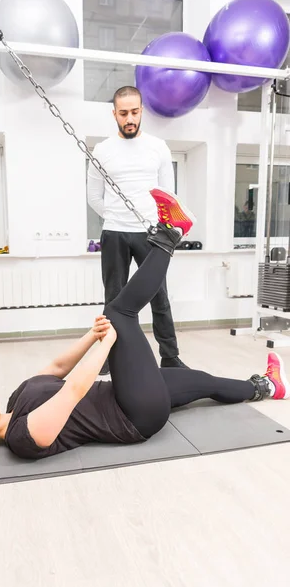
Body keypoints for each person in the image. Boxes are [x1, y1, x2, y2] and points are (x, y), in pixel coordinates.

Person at [0, 191, 289, 477]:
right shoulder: (23, 438)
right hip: (134, 415)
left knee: (201, 381)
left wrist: (89, 335)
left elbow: (57, 369)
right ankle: (171, 235)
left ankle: (265, 388)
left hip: (125, 393)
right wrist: (108, 340)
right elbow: (73, 391)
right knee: (120, 311)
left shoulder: (16, 401)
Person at [87, 85, 187, 373]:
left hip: (151, 234)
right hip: (115, 233)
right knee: (114, 300)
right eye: (123, 113)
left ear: (141, 110)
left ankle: (170, 356)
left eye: (134, 112)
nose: (129, 118)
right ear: (114, 114)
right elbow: (93, 196)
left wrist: (152, 221)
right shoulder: (103, 150)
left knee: (160, 297)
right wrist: (116, 217)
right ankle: (111, 358)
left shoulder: (158, 147)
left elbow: (168, 193)